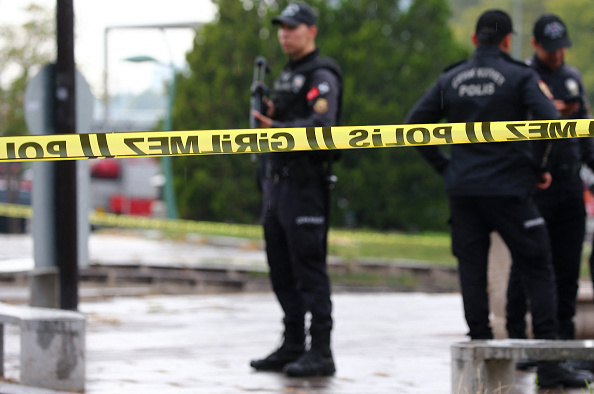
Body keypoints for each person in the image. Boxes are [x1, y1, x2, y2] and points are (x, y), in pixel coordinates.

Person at [404, 9, 593, 388]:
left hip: (464, 193)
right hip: (509, 191)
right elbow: (549, 126)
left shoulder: (452, 78)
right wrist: (537, 167)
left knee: (472, 272)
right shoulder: (520, 76)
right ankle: (550, 364)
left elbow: (413, 126)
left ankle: (480, 351)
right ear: (508, 41)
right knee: (538, 266)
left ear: (475, 40)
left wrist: (446, 169)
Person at [249, 2, 342, 378]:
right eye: (281, 27)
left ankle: (321, 350)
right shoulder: (288, 74)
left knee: (309, 270)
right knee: (281, 269)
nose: (285, 34)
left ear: (311, 31)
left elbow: (322, 124)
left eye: (293, 27)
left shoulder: (321, 74)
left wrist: (274, 129)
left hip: (305, 185)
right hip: (277, 185)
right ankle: (292, 344)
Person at [506, 13, 594, 343]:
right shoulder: (524, 77)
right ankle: (517, 336)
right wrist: (550, 111)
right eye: (550, 50)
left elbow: (585, 132)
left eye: (561, 49)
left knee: (568, 268)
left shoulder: (572, 78)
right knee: (526, 262)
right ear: (535, 45)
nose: (556, 55)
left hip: (570, 183)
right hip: (536, 184)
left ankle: (564, 342)